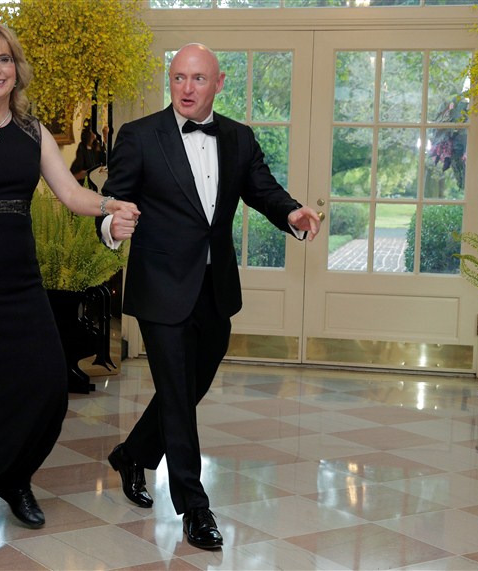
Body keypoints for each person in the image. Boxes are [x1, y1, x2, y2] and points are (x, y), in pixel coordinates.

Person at [0, 22, 139, 551]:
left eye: (3, 59)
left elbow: (70, 194)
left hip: (20, 281)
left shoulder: (33, 132)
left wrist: (110, 204)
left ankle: (13, 475)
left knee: (47, 388)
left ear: (16, 67)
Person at [96, 43, 321, 550]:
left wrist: (291, 213)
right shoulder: (139, 136)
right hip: (160, 289)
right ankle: (194, 508)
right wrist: (112, 224)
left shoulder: (238, 138)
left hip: (215, 289)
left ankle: (133, 454)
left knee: (189, 388)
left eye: (198, 79)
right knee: (177, 396)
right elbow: (113, 198)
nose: (187, 89)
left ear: (219, 83)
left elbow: (262, 189)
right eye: (178, 78)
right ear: (169, 81)